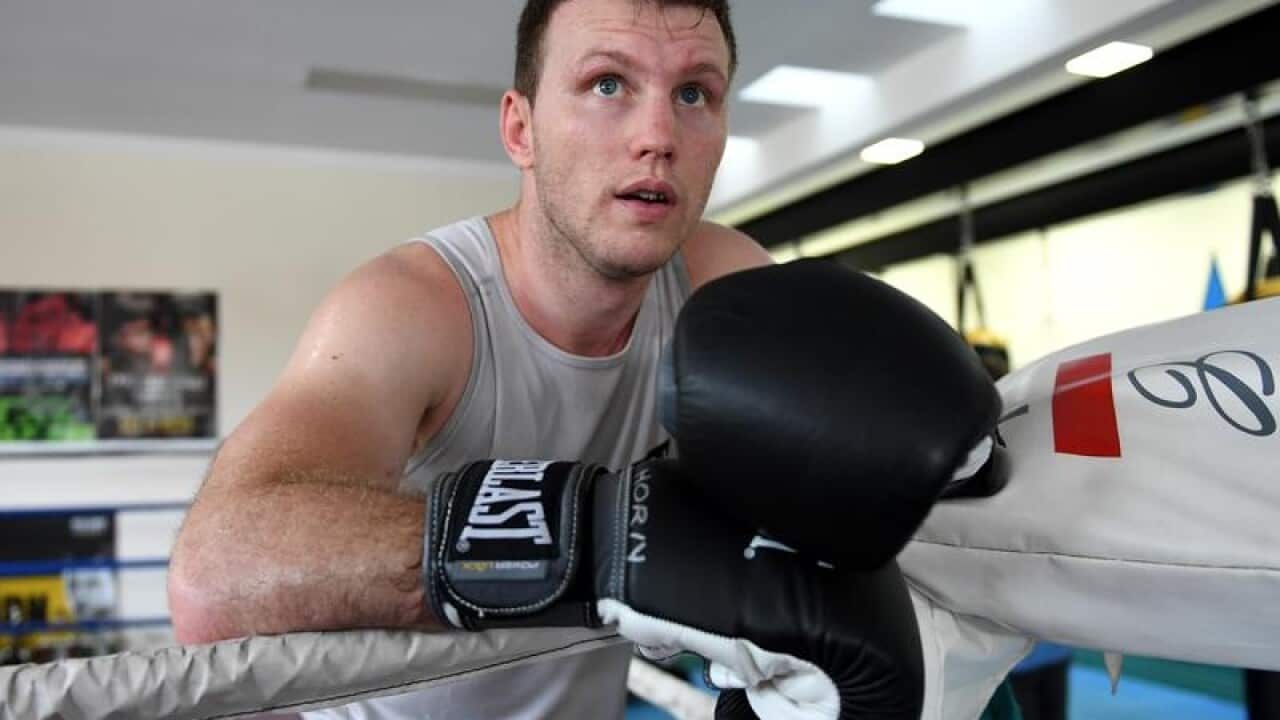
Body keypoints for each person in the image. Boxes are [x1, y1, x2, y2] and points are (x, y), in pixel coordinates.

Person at [168, 1, 775, 717]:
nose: (658, 136)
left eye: (693, 93)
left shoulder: (723, 284)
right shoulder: (414, 306)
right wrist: (603, 546)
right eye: (608, 84)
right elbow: (214, 574)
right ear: (521, 130)